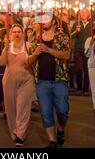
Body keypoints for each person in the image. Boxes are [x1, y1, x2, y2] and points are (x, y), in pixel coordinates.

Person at [28, 14, 71, 148]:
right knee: (46, 112)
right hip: (42, 81)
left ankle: (61, 129)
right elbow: (29, 61)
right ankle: (52, 141)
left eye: (46, 20)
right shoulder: (35, 39)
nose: (43, 22)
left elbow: (66, 55)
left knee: (62, 110)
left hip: (59, 79)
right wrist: (35, 54)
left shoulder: (61, 36)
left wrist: (48, 50)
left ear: (53, 22)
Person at [0, 24, 35, 147]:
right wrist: (6, 48)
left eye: (19, 31)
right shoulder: (8, 47)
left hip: (26, 80)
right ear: (10, 34)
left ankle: (20, 134)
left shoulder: (28, 46)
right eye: (14, 32)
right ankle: (14, 131)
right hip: (9, 81)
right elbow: (2, 62)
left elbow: (33, 62)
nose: (17, 34)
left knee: (23, 107)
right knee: (11, 108)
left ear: (23, 34)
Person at [71, 8, 92, 95]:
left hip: (88, 50)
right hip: (78, 50)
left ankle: (86, 89)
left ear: (89, 14)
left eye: (85, 12)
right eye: (82, 12)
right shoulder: (76, 24)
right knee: (79, 69)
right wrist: (76, 31)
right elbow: (71, 35)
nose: (83, 14)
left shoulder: (91, 24)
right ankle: (79, 88)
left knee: (87, 69)